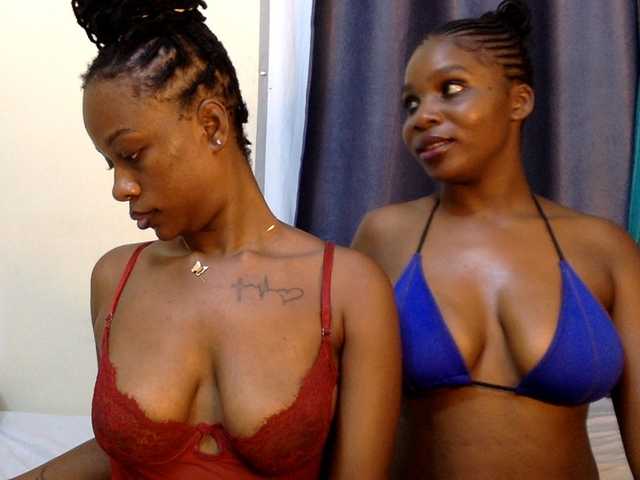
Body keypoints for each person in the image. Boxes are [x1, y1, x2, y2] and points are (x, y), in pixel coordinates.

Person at [14, 1, 401, 479]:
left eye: (132, 154)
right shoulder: (116, 279)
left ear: (212, 125)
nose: (120, 188)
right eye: (110, 164)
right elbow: (125, 449)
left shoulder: (348, 290)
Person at [352, 0, 640, 478]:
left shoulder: (605, 250)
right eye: (411, 103)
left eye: (451, 89)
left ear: (519, 101)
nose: (422, 117)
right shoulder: (384, 237)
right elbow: (345, 414)